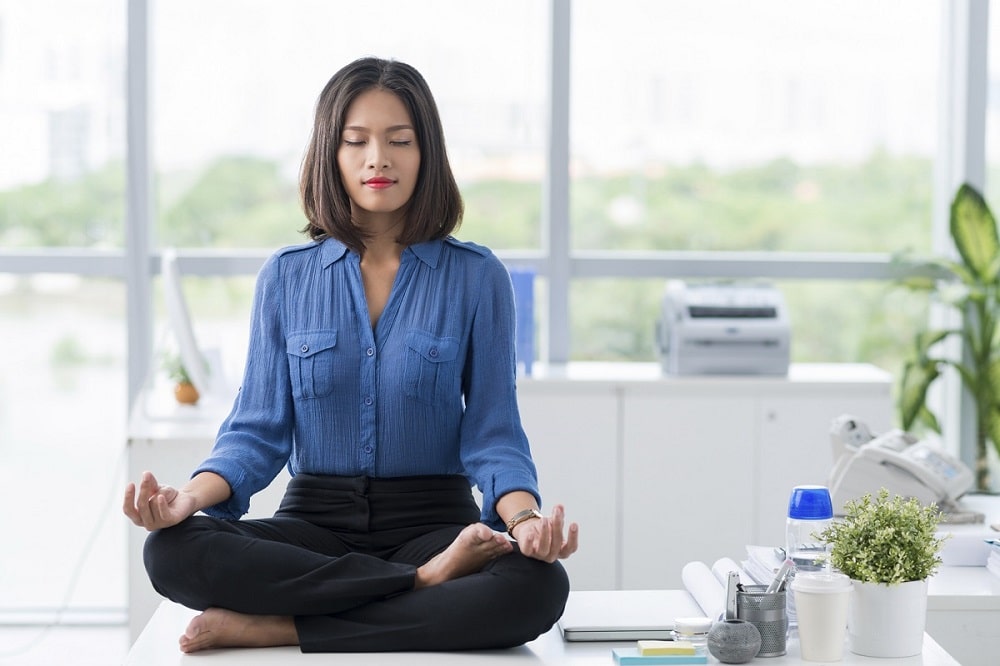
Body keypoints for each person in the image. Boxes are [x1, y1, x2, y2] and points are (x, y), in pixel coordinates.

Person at [122, 56, 578, 654]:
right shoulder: (285, 278)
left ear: (427, 153)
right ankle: (421, 585)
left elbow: (493, 433)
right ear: (329, 154)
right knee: (170, 550)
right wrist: (187, 497)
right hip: (314, 522)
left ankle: (281, 626)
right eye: (356, 141)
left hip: (435, 520)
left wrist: (524, 523)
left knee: (535, 586)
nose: (377, 159)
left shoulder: (477, 277)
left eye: (399, 141)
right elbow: (255, 433)